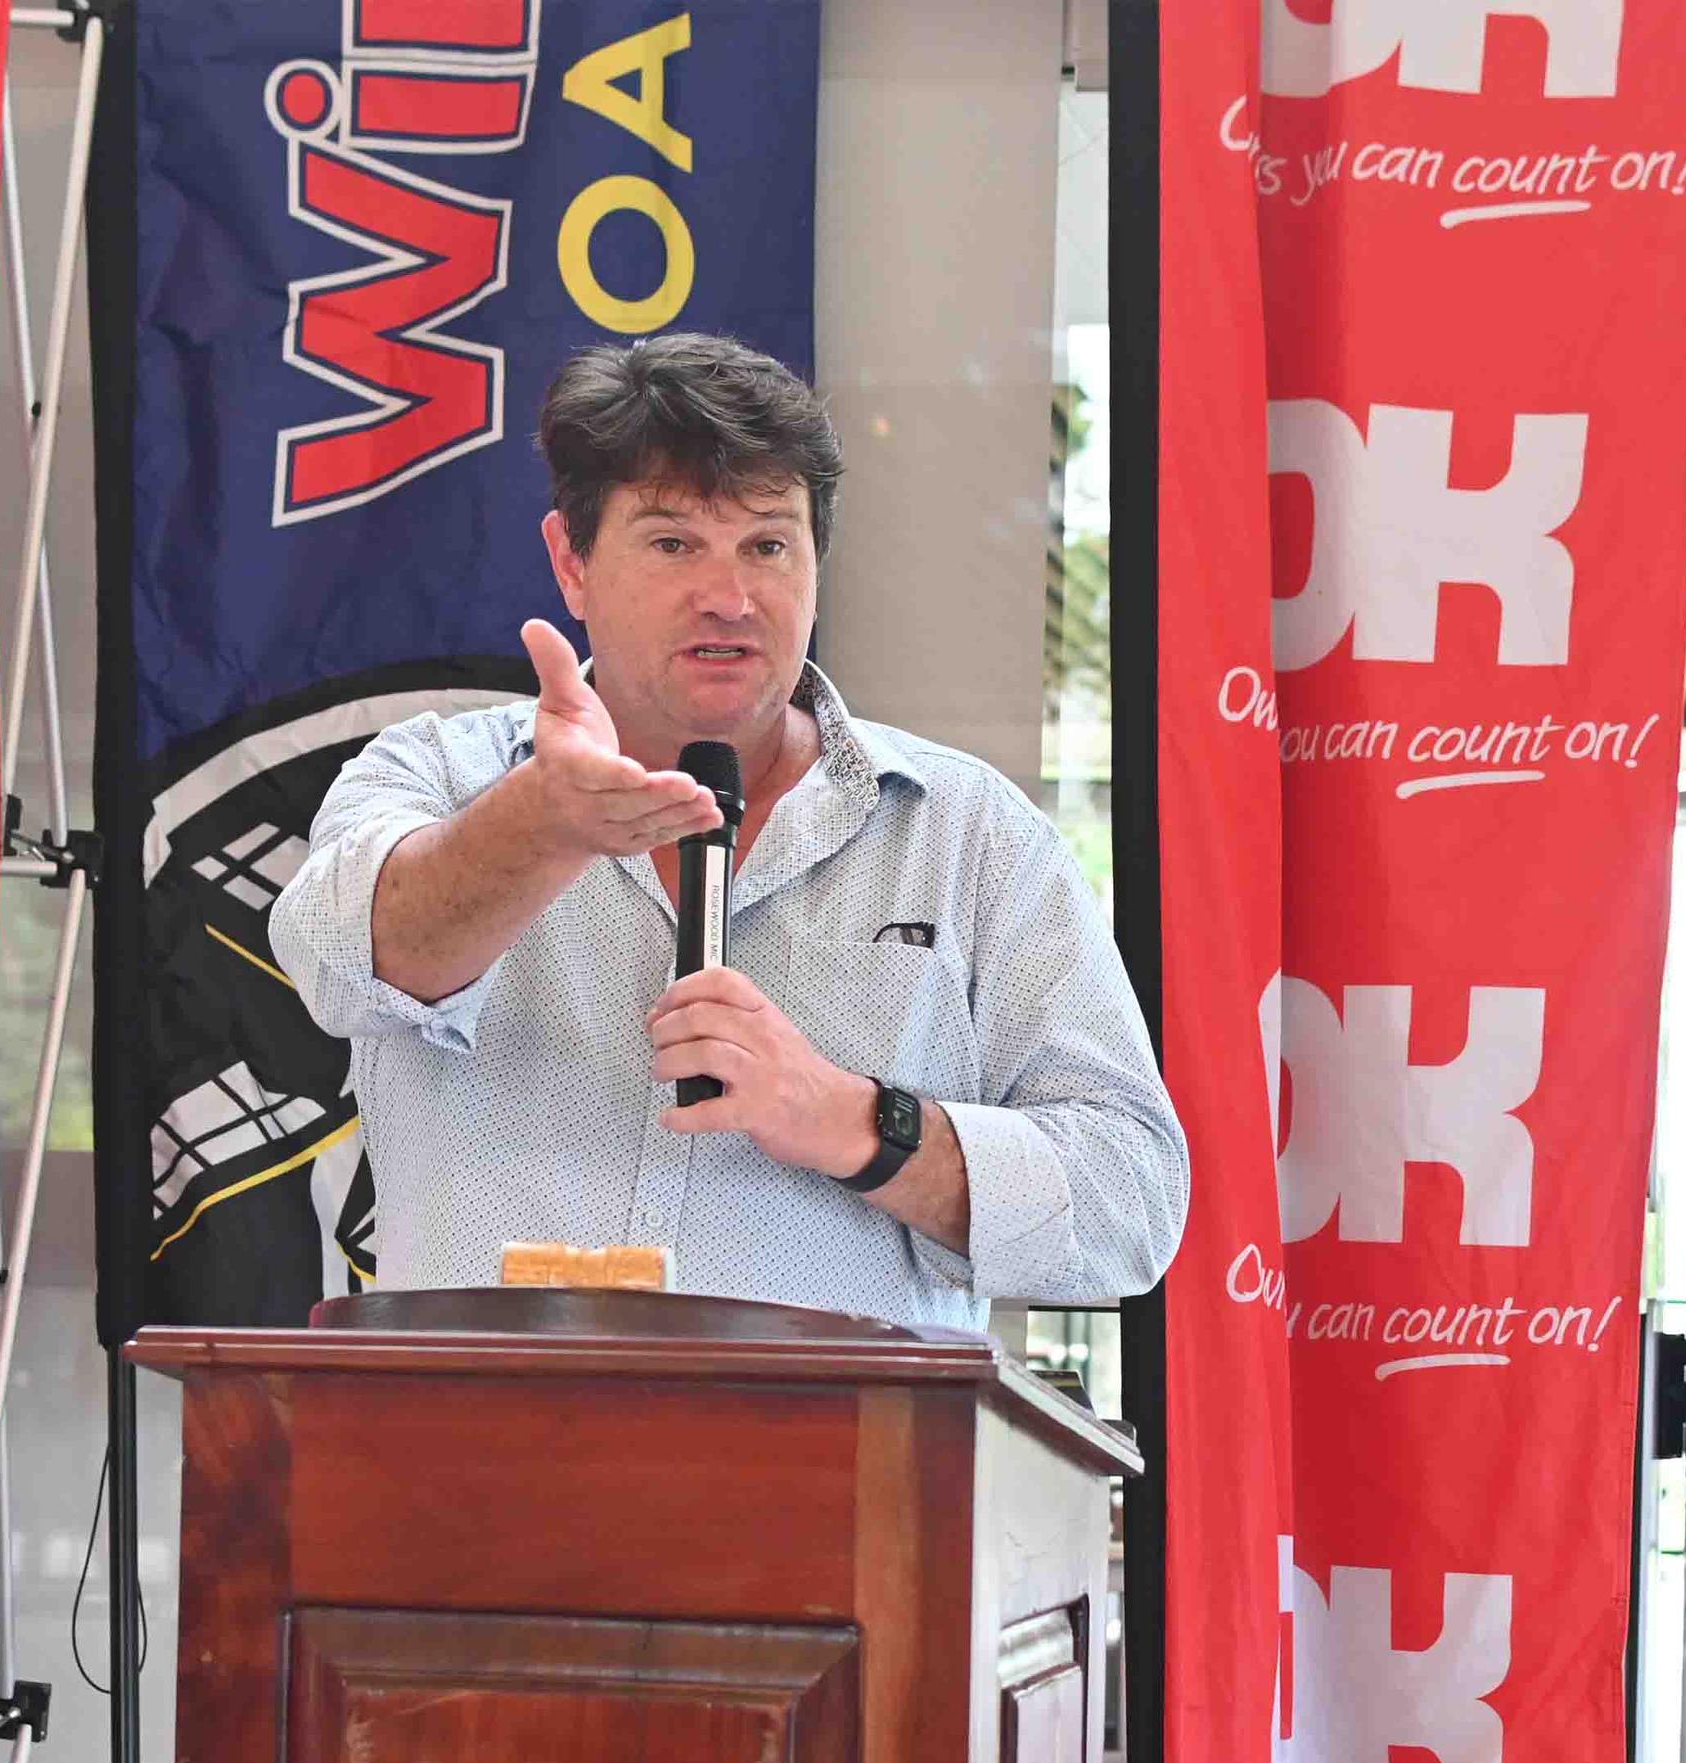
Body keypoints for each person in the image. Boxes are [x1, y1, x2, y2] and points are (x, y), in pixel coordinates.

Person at [267, 333, 1187, 1329]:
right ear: (571, 563)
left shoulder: (970, 836)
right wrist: (542, 825)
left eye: (768, 545)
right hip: (478, 1460)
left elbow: (1130, 1204)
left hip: (843, 1470)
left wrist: (858, 1124)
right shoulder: (441, 774)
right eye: (673, 544)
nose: (731, 597)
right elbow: (335, 960)